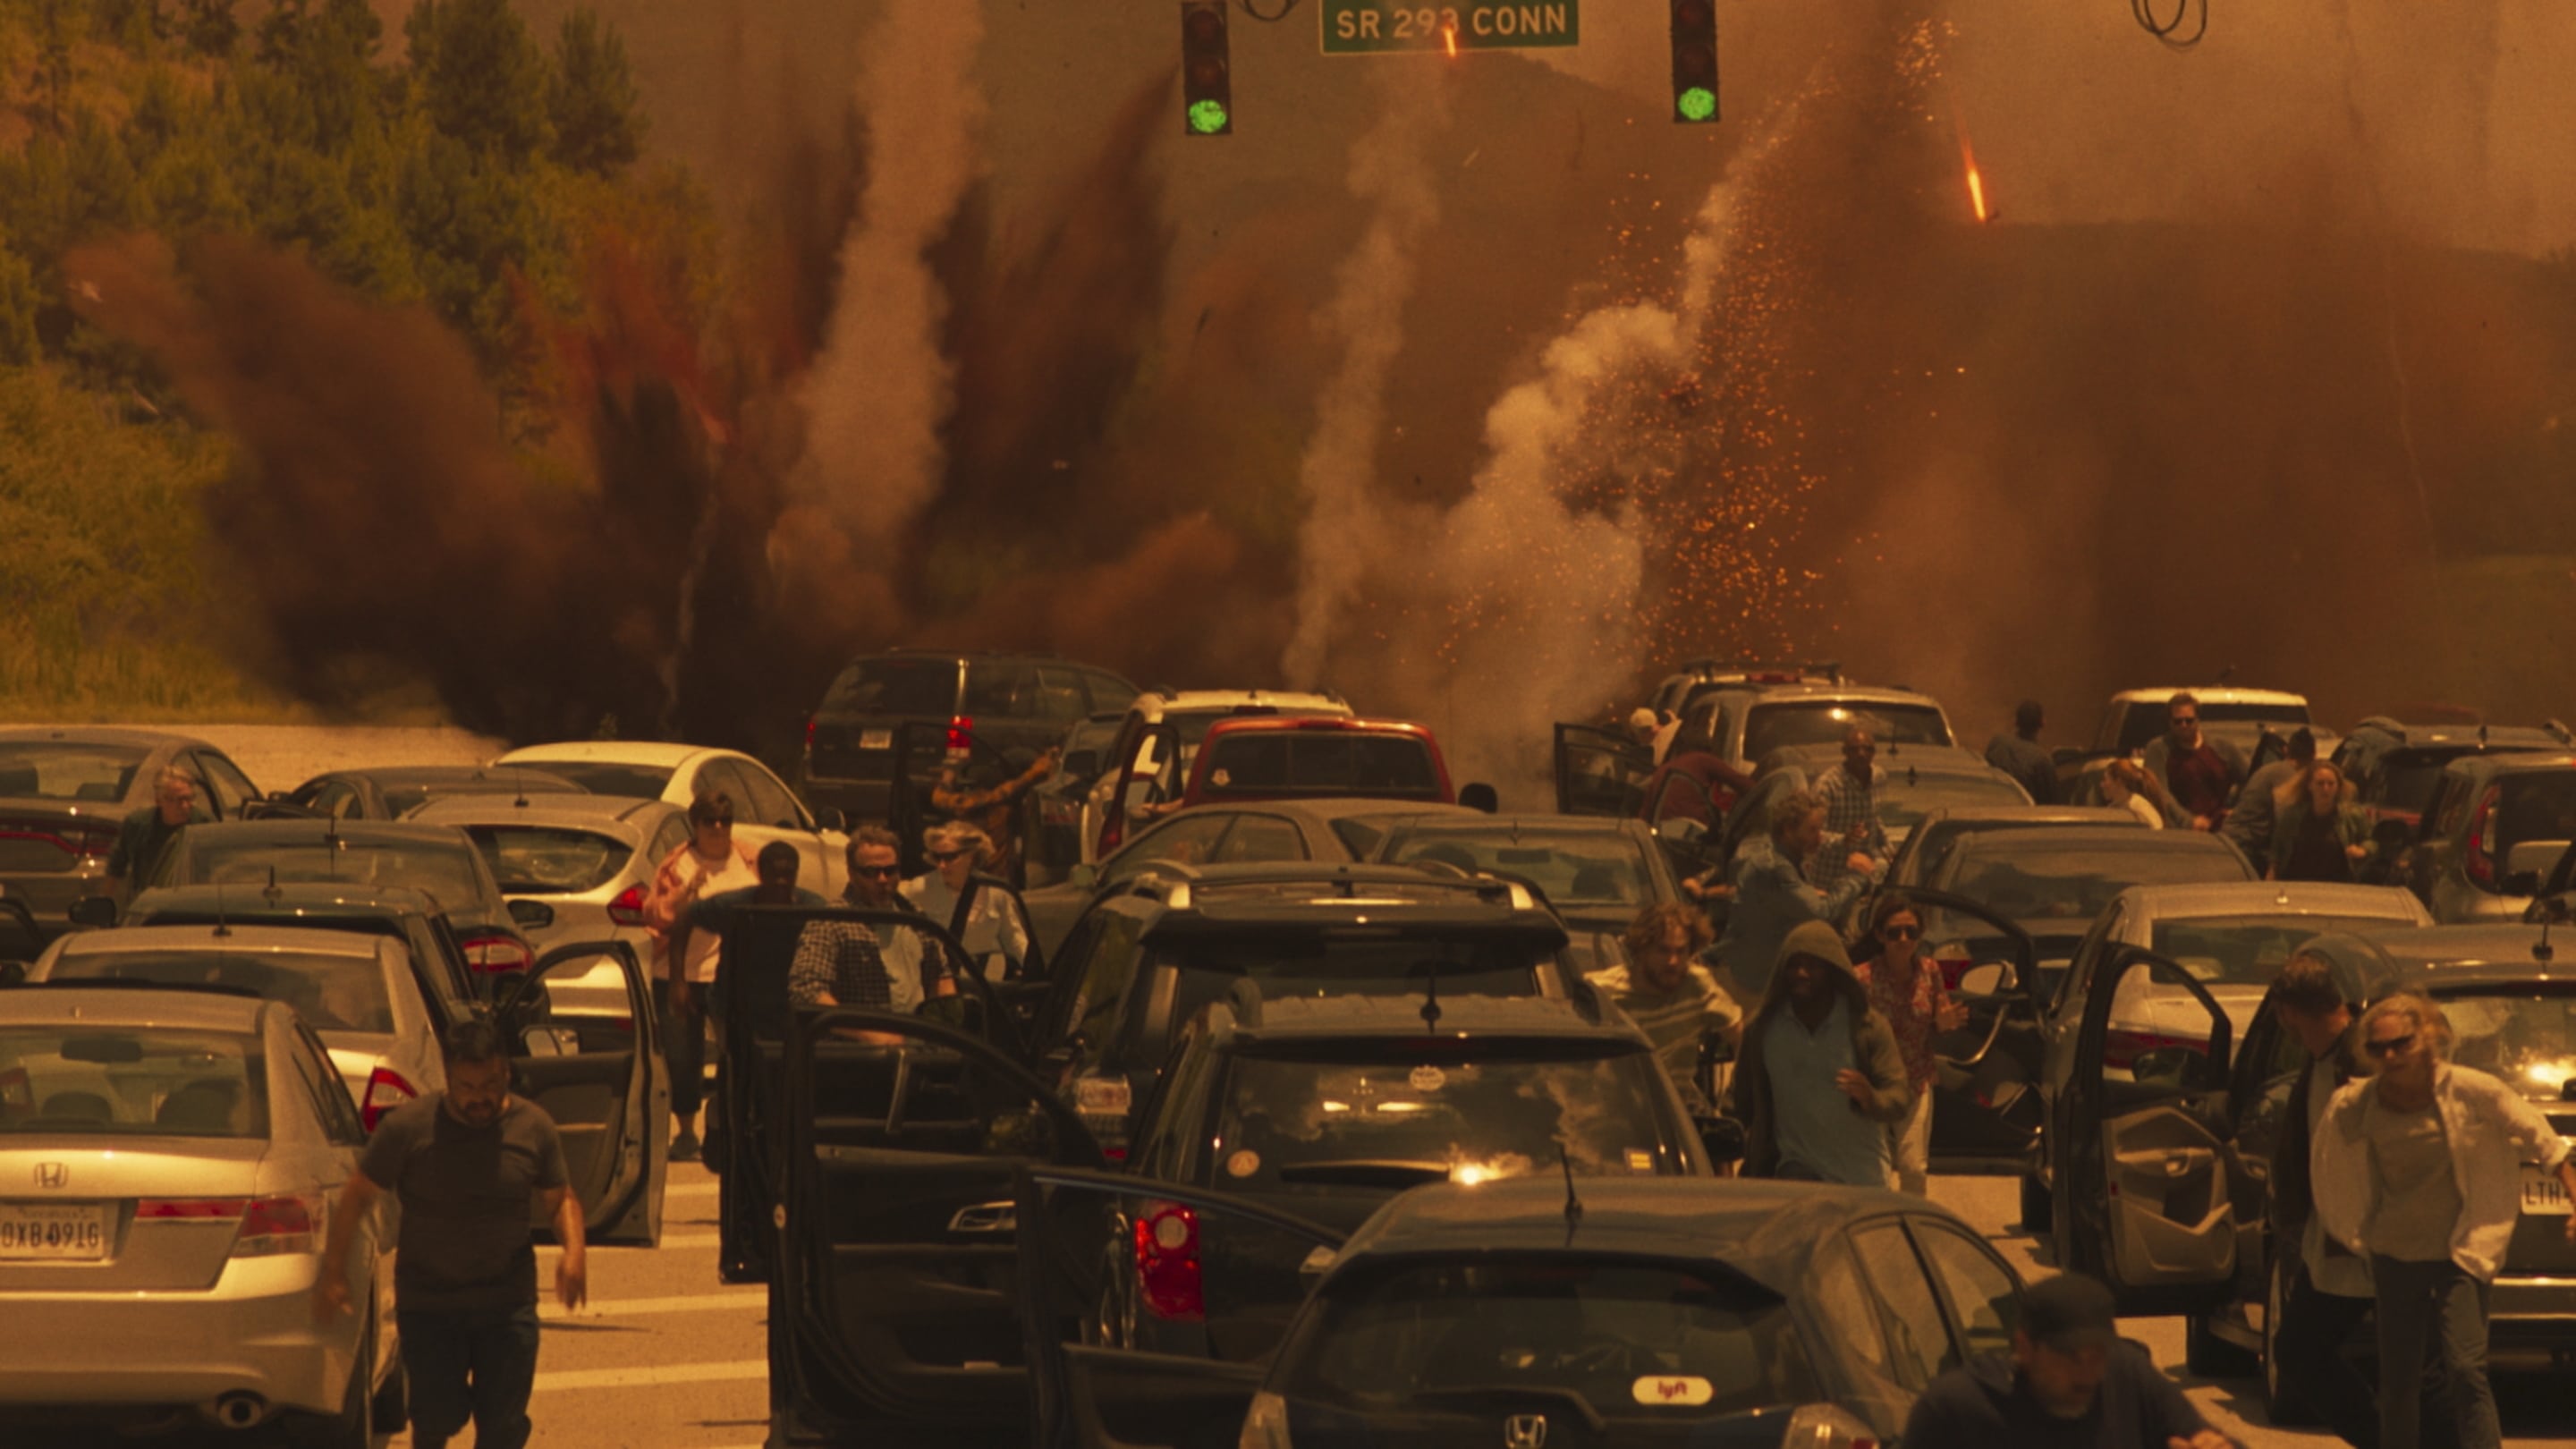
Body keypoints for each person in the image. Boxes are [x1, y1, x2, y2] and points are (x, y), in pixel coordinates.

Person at [2315, 991, 2576, 1449]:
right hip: (2396, 1252)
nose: (2391, 1057)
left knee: (2467, 1370)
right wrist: (2348, 1229)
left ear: (2428, 1039)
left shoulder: (2471, 1090)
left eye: (2402, 1043)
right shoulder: (2359, 1105)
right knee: (2399, 1381)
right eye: (2378, 1048)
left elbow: (2542, 1138)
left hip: (2462, 1249)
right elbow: (2330, 1163)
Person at [313, 1020, 583, 1449]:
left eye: (490, 1084)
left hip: (506, 1301)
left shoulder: (533, 1127)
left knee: (503, 1426)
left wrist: (574, 1254)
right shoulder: (409, 1128)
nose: (480, 1097)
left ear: (506, 1072)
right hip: (430, 1303)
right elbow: (359, 1194)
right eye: (467, 1086)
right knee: (436, 1418)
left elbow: (560, 1198)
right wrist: (334, 1270)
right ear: (448, 1079)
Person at [2265, 953, 2435, 1449]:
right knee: (2301, 1350)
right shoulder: (2324, 1059)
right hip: (2340, 1239)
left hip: (2383, 1236)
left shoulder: (2364, 1058)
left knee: (2421, 1368)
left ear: (2288, 1012)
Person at [1902, 1272, 2234, 1449]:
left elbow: (2202, 1436)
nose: (2088, 1373)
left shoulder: (2127, 1379)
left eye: (2098, 1355)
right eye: (2072, 1357)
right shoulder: (1958, 1411)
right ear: (2025, 1348)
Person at [1721, 919, 1911, 1185]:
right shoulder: (1763, 1029)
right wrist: (1722, 1151)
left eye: (1813, 965)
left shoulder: (1865, 1027)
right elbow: (1739, 1103)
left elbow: (1899, 1098)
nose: (1802, 973)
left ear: (1832, 970)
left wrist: (1871, 1098)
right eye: (1794, 965)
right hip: (1794, 1169)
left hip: (1861, 1176)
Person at [644, 792, 758, 1162]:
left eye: (725, 820)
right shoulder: (677, 864)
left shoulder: (748, 859)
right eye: (710, 821)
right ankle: (686, 1133)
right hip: (678, 974)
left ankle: (727, 1126)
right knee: (682, 1057)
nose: (718, 828)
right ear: (696, 824)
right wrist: (685, 893)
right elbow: (656, 914)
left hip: (731, 974)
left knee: (735, 1053)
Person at [788, 826, 957, 1044]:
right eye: (870, 872)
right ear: (851, 873)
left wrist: (947, 1029)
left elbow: (941, 976)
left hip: (918, 1051)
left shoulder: (915, 918)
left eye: (890, 870)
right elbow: (806, 991)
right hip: (858, 1054)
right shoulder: (831, 921)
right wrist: (870, 1035)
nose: (882, 879)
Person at [1710, 789, 1877, 1003]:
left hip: (1762, 977)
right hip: (1754, 985)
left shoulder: (1780, 858)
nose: (1819, 838)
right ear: (1789, 829)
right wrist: (1857, 876)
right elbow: (1820, 912)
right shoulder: (1774, 867)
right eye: (1812, 830)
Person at [1850, 894, 1967, 1195]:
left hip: (1916, 1081)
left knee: (1913, 1167)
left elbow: (1940, 1016)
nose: (1903, 939)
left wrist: (1945, 1022)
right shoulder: (1861, 978)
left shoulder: (1930, 971)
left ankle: (1913, 1220)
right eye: (1894, 932)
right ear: (1880, 935)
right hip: (1874, 1084)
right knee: (1874, 1170)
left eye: (1911, 932)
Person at [1586, 902, 1742, 1112]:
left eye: (1681, 951)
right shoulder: (1603, 992)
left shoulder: (1697, 985)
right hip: (1617, 1110)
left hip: (1677, 1111)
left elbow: (1739, 1036)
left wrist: (1741, 1095)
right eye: (1663, 950)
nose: (1673, 961)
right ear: (1641, 950)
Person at [902, 822, 1032, 980]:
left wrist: (1034, 973)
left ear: (971, 855)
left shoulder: (995, 891)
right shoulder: (920, 890)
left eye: (950, 857)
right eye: (937, 857)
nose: (942, 865)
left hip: (986, 980)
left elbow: (1014, 939)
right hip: (941, 980)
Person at [930, 746, 1059, 880]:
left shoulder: (959, 804)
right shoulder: (1000, 803)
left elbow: (938, 797)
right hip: (998, 876)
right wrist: (1046, 763)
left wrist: (946, 780)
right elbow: (1020, 783)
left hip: (969, 875)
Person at [2141, 692, 2245, 832]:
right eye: (2178, 721)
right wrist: (2188, 821)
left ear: (2198, 719)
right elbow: (2158, 791)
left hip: (2220, 830)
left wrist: (2237, 811)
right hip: (2178, 831)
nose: (2184, 725)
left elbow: (2252, 779)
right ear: (2169, 722)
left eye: (2189, 720)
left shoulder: (2222, 747)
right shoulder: (2159, 749)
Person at [1809, 725, 1892, 891]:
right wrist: (1843, 840)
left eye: (1867, 749)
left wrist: (1888, 849)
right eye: (1855, 749)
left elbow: (1874, 818)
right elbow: (1812, 834)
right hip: (1830, 880)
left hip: (1865, 878)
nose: (1861, 754)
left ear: (1874, 752)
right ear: (1845, 752)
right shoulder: (1828, 785)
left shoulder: (1878, 778)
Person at [2270, 760, 2373, 883]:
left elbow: (2371, 840)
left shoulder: (2352, 815)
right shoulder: (2293, 815)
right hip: (2297, 884)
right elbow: (2277, 850)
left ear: (2338, 787)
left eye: (2331, 784)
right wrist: (2271, 876)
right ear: (2309, 786)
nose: (2326, 788)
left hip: (2336, 886)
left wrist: (2363, 850)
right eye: (2320, 783)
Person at [106, 764, 206, 889]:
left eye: (189, 798)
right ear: (159, 801)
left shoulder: (203, 824)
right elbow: (115, 869)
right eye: (178, 800)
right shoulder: (138, 825)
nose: (185, 806)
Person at [2221, 727, 2315, 859]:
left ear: (2286, 750)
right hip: (2245, 843)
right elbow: (2284, 820)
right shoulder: (2288, 776)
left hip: (2232, 838)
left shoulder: (2270, 769)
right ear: (2313, 756)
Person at [1639, 725, 1752, 832]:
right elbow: (1743, 783)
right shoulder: (1703, 759)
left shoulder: (1663, 769)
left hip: (1661, 832)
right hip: (1693, 831)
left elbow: (1645, 813)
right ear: (1707, 747)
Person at [1986, 699, 2059, 805]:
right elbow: (2052, 803)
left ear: (2015, 721)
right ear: (2043, 723)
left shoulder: (1998, 743)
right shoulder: (2043, 761)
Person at [2099, 758, 2167, 830]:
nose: (2101, 785)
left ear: (2119, 782)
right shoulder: (2114, 808)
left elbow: (2156, 831)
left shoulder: (2139, 807)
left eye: (2105, 779)